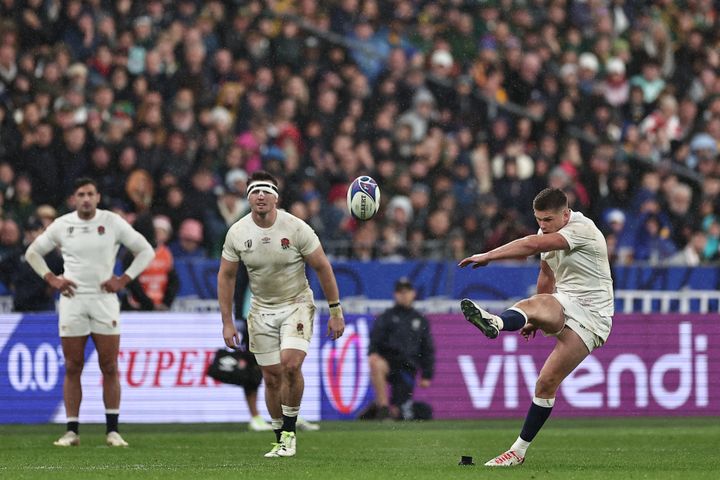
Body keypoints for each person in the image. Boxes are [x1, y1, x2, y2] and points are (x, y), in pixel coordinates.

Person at [458, 188, 613, 467]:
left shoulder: (583, 229)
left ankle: (498, 322)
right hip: (564, 302)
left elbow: (531, 246)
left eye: (548, 220)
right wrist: (533, 320)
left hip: (593, 315)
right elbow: (546, 274)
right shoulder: (548, 234)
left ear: (566, 214)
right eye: (539, 220)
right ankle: (517, 452)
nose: (542, 226)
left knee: (546, 378)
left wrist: (489, 255)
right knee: (544, 376)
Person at [217, 170, 344, 458]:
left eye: (266, 190)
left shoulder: (296, 228)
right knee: (272, 378)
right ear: (248, 197)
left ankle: (290, 431)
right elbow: (226, 277)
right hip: (260, 309)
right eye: (254, 191)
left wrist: (335, 310)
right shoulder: (237, 232)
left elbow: (323, 266)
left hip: (296, 302)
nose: (260, 195)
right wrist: (227, 321)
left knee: (290, 365)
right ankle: (280, 438)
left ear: (276, 197)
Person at [25, 178, 154, 447]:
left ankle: (113, 431)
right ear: (74, 198)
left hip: (104, 299)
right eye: (81, 194)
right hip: (73, 300)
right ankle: (72, 431)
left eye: (90, 194)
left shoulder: (112, 222)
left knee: (109, 366)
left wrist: (123, 280)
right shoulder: (63, 224)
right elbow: (32, 253)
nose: (86, 199)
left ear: (98, 198)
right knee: (73, 366)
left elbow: (145, 251)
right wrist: (52, 279)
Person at [366, 277, 434, 420]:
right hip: (389, 363)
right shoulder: (386, 317)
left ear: (413, 293)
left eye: (407, 291)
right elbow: (375, 340)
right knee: (375, 363)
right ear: (395, 295)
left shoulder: (420, 319)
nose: (404, 295)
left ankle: (376, 410)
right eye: (400, 292)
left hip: (408, 367)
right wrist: (372, 353)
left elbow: (427, 348)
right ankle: (383, 408)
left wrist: (427, 374)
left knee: (399, 412)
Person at [0, 216, 62, 311]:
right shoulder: (17, 254)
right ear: (24, 233)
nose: (32, 234)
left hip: (44, 306)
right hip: (21, 306)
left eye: (36, 230)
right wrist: (10, 284)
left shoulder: (52, 255)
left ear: (42, 231)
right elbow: (3, 270)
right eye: (28, 231)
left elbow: (65, 271)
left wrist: (54, 284)